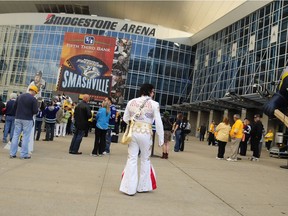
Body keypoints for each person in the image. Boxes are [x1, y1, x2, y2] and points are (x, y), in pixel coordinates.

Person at [119, 83, 164, 196]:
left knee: (132, 159)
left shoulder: (131, 102)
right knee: (145, 159)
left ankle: (129, 188)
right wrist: (161, 138)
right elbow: (158, 122)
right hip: (146, 133)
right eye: (153, 92)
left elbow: (125, 118)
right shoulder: (154, 104)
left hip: (133, 132)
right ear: (149, 92)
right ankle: (142, 187)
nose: (153, 94)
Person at [9, 85, 38, 159]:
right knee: (25, 136)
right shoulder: (33, 99)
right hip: (27, 119)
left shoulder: (20, 96)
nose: (35, 94)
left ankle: (12, 153)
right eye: (36, 92)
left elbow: (14, 107)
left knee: (15, 135)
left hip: (18, 118)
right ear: (34, 91)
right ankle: (24, 154)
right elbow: (35, 111)